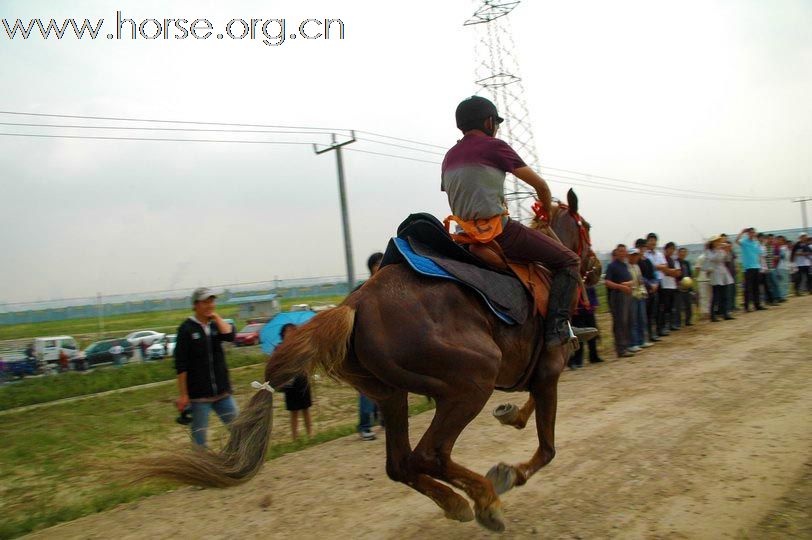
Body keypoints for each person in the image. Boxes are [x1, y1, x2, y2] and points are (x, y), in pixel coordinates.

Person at [443, 96, 596, 350]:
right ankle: (558, 328)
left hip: (461, 236)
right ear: (489, 122)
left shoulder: (448, 157)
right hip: (498, 233)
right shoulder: (494, 146)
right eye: (496, 123)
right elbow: (541, 187)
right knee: (569, 260)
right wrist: (545, 213)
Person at [174, 287, 238, 447]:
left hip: (222, 393)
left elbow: (230, 336)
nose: (209, 305)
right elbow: (181, 365)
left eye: (212, 301)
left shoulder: (215, 325)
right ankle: (200, 469)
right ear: (195, 305)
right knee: (199, 439)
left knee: (239, 429)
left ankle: (240, 462)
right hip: (199, 396)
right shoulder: (186, 329)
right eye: (205, 302)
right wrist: (183, 395)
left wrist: (215, 316)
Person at [356, 252, 384, 441]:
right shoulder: (362, 290)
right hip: (366, 347)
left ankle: (383, 419)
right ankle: (365, 425)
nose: (381, 266)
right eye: (378, 264)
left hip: (384, 348)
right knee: (367, 389)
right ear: (372, 267)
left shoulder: (386, 287)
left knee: (385, 385)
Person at [279, 323, 314, 441]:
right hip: (289, 383)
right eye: (287, 331)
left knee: (306, 409)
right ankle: (295, 438)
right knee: (293, 411)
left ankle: (310, 434)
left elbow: (308, 360)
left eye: (293, 330)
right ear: (283, 334)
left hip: (302, 381)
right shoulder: (280, 348)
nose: (290, 333)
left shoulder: (301, 346)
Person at [604, 245, 634, 358]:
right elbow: (607, 282)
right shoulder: (612, 266)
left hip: (627, 295)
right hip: (617, 296)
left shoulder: (625, 265)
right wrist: (621, 287)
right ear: (617, 253)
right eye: (620, 251)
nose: (622, 253)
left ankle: (626, 346)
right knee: (620, 322)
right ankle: (620, 349)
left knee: (627, 321)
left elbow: (629, 279)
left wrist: (628, 284)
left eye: (624, 251)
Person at [568, 285, 603, 368]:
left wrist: (594, 304)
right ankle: (578, 360)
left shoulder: (588, 284)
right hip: (577, 314)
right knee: (579, 338)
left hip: (589, 312)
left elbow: (593, 294)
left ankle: (593, 356)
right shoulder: (573, 286)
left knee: (593, 335)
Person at [704, 236, 735, 321]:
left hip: (723, 273)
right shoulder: (709, 251)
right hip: (715, 273)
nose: (718, 243)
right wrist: (718, 249)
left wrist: (727, 250)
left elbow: (727, 259)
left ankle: (725, 313)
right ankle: (712, 315)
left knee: (724, 295)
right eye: (716, 241)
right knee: (716, 296)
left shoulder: (721, 250)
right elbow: (714, 259)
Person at [627, 248, 651, 353]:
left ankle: (642, 340)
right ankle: (633, 343)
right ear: (629, 256)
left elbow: (640, 280)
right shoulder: (626, 267)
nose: (635, 257)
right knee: (633, 320)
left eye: (636, 255)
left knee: (642, 319)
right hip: (632, 296)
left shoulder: (637, 267)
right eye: (633, 255)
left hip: (640, 295)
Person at [736, 228, 766, 311]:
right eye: (750, 233)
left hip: (756, 267)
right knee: (748, 288)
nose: (752, 234)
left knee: (756, 287)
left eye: (753, 233)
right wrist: (742, 232)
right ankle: (746, 306)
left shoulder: (756, 243)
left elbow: (760, 253)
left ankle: (757, 305)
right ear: (748, 233)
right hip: (748, 268)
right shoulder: (744, 241)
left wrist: (761, 266)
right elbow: (736, 241)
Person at [636, 238, 660, 343]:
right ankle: (643, 337)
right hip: (643, 290)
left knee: (652, 313)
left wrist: (655, 283)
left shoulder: (648, 260)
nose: (642, 249)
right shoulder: (636, 261)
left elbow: (654, 274)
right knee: (643, 315)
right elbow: (640, 276)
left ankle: (651, 333)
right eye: (640, 247)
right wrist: (650, 285)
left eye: (643, 247)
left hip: (652, 289)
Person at [658, 241, 682, 332]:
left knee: (672, 306)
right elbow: (665, 271)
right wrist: (672, 272)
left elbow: (678, 272)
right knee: (665, 306)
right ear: (666, 249)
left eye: (673, 249)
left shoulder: (674, 260)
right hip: (665, 285)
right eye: (670, 249)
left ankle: (672, 323)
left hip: (672, 285)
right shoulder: (662, 259)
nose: (671, 251)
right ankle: (664, 325)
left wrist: (670, 272)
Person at [675, 247, 694, 327]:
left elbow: (690, 274)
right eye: (681, 252)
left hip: (687, 286)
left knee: (688, 304)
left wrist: (690, 283)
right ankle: (678, 322)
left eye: (684, 252)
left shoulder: (687, 263)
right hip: (679, 287)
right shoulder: (676, 262)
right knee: (678, 306)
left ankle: (688, 320)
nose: (683, 254)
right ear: (678, 253)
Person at [719, 233, 738, 312]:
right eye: (723, 238)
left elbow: (734, 259)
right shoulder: (720, 250)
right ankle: (726, 308)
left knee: (733, 290)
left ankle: (732, 305)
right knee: (726, 291)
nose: (725, 239)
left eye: (725, 238)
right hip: (724, 273)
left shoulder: (731, 250)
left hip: (732, 271)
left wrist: (736, 267)